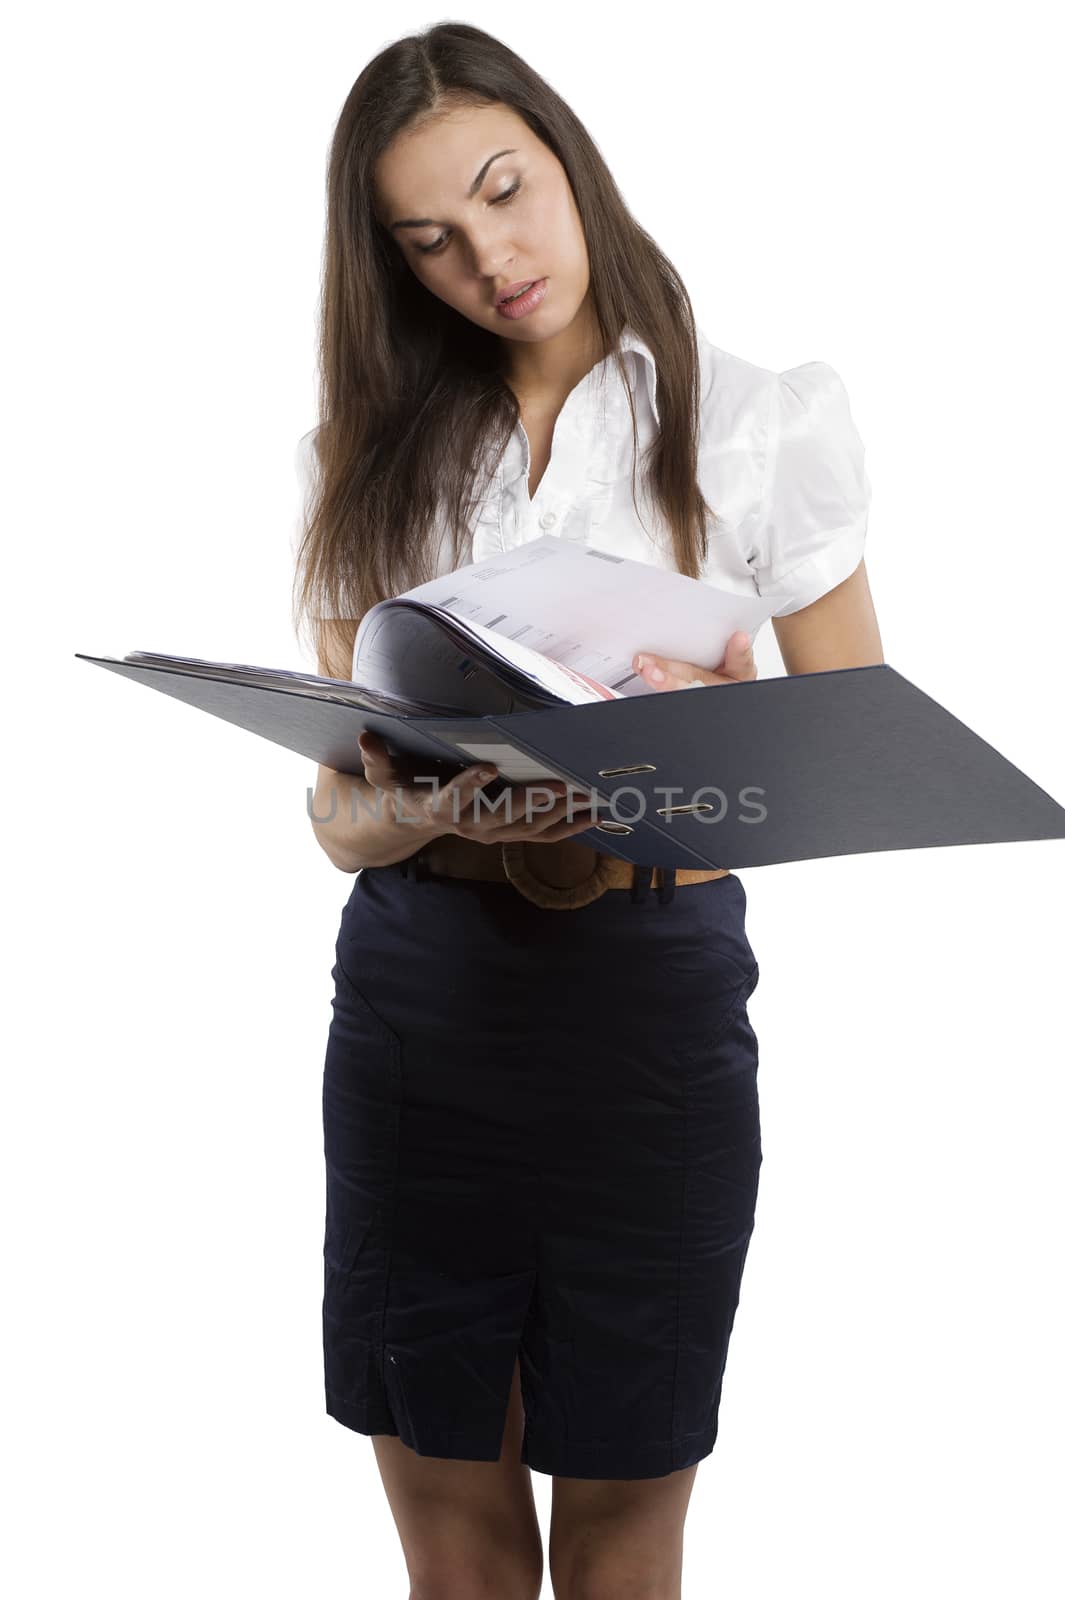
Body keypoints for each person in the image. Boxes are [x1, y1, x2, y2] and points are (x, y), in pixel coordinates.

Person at [291, 22, 883, 1600]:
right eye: (431, 241)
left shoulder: (759, 420)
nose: (491, 258)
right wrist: (423, 817)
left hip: (649, 1004)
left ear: (569, 161)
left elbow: (853, 763)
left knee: (625, 1523)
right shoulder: (362, 458)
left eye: (506, 194)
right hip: (423, 998)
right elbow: (337, 819)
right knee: (452, 1533)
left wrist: (717, 743)